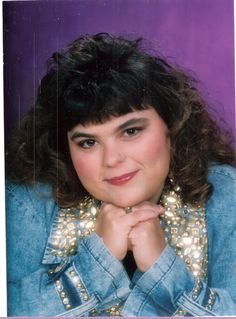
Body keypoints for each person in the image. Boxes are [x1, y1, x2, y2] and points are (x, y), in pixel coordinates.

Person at [6, 33, 236, 317]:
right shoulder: (27, 201)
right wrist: (97, 262)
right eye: (88, 142)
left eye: (130, 131)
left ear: (173, 127)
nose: (112, 159)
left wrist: (162, 267)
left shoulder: (225, 193)